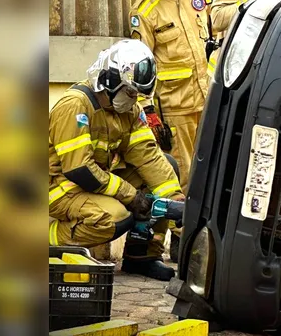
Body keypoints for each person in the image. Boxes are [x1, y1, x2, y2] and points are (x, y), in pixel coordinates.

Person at [49, 40, 185, 281]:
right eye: (130, 92)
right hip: (59, 189)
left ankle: (142, 257)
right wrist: (131, 196)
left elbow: (148, 155)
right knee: (115, 218)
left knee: (166, 165)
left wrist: (175, 203)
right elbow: (79, 169)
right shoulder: (75, 106)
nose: (134, 99)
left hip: (92, 182)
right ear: (110, 81)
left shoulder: (127, 111)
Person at [128, 0, 215, 261]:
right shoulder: (144, 12)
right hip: (174, 109)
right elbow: (140, 67)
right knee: (182, 176)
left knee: (209, 173)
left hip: (208, 99)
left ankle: (193, 240)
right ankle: (182, 247)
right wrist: (149, 113)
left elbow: (212, 35)